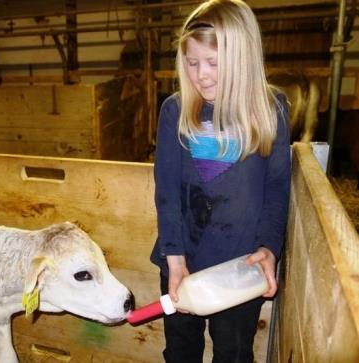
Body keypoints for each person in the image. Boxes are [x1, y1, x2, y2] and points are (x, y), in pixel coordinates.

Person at [149, 0, 291, 362]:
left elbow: (276, 188)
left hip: (239, 267)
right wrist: (175, 260)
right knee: (180, 348)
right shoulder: (175, 111)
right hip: (183, 258)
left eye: (214, 63)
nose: (201, 75)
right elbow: (166, 193)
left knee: (234, 351)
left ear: (242, 59)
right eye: (192, 63)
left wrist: (269, 247)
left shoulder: (270, 109)